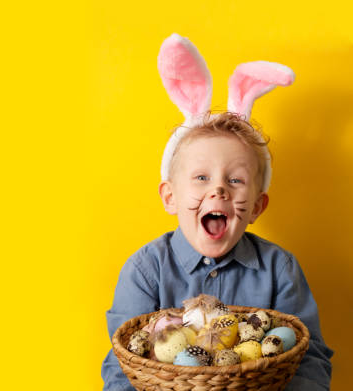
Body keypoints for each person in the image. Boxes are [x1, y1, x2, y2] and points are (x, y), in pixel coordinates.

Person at [101, 34, 333, 391]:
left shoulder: (279, 270)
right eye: (201, 177)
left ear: (257, 206)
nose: (219, 189)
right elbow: (123, 364)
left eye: (236, 179)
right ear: (170, 197)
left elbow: (308, 355)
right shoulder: (145, 271)